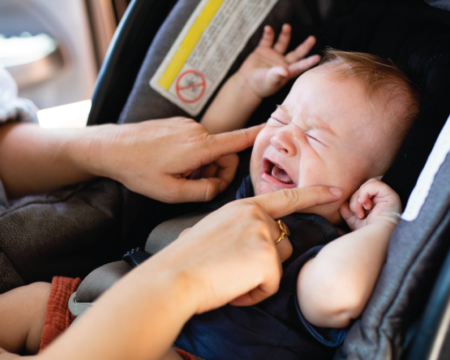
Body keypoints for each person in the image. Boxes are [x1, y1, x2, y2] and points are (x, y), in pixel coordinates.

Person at [0, 185, 343, 360]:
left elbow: (341, 289)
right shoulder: (244, 190)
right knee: (34, 301)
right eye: (280, 117)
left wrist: (382, 226)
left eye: (317, 138)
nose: (285, 136)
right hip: (102, 309)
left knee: (35, 299)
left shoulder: (324, 254)